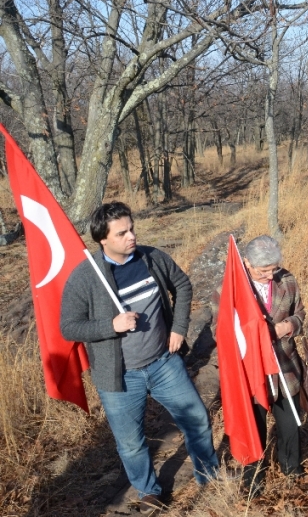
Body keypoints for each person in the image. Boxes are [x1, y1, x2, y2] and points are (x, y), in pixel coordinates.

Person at [60, 202, 218, 514]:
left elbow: (183, 285)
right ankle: (149, 490)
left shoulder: (152, 258)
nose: (131, 236)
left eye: (131, 228)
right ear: (102, 239)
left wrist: (179, 328)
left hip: (163, 362)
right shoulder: (85, 278)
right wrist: (111, 325)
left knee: (197, 419)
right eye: (122, 233)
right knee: (131, 443)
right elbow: (69, 327)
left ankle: (209, 476)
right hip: (119, 377)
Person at [226, 235, 306, 495]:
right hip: (253, 371)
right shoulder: (231, 289)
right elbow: (225, 331)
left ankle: (291, 470)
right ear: (247, 263)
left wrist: (290, 325)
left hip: (285, 365)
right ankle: (253, 480)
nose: (271, 276)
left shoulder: (288, 280)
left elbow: (301, 313)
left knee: (290, 424)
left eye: (274, 269)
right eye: (263, 272)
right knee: (255, 425)